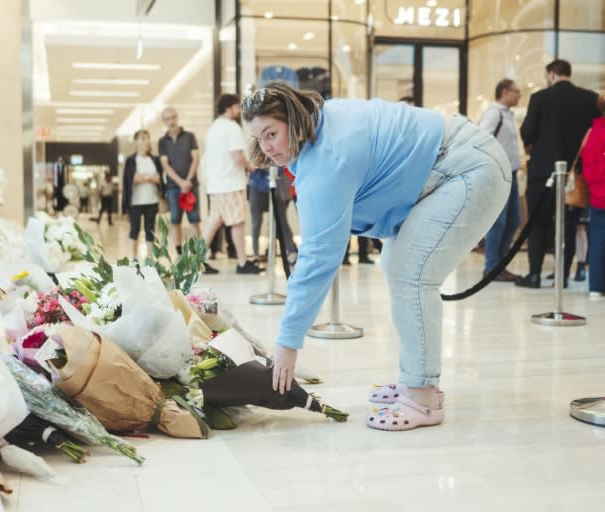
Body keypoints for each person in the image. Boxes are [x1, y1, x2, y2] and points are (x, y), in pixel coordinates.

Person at [243, 82, 510, 430]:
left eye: (272, 133)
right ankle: (416, 378)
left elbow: (318, 255)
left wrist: (287, 343)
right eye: (259, 138)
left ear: (293, 119)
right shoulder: (322, 128)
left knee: (410, 273)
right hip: (459, 160)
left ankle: (423, 396)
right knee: (398, 266)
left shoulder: (328, 156)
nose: (266, 147)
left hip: (470, 167)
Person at [517, 59, 600, 288]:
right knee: (569, 225)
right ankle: (562, 277)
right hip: (575, 174)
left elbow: (528, 132)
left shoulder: (540, 98)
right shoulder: (589, 98)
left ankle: (534, 274)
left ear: (552, 74)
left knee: (538, 223)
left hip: (543, 172)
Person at [202, 93, 262, 275]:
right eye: (237, 106)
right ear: (229, 107)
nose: (239, 110)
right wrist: (251, 167)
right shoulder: (231, 127)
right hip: (230, 184)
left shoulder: (213, 128)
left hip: (216, 184)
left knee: (214, 222)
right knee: (237, 222)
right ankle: (242, 263)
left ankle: (195, 261)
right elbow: (237, 155)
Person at [478, 78, 523, 282]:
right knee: (498, 221)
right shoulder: (494, 114)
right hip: (498, 175)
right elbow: (481, 140)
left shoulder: (508, 115)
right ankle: (491, 267)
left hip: (511, 174)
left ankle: (499, 263)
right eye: (516, 91)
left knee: (514, 220)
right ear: (505, 92)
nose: (519, 95)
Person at [158, 107, 202, 255]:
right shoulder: (162, 142)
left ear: (177, 117)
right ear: (164, 121)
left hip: (191, 186)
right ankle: (179, 253)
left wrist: (188, 181)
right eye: (167, 119)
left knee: (194, 219)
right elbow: (165, 165)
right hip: (173, 187)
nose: (171, 121)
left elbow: (195, 158)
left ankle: (198, 254)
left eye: (173, 117)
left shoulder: (190, 136)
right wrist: (180, 183)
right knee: (175, 220)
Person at [122, 130, 163, 259]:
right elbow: (132, 179)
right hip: (135, 201)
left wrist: (143, 178)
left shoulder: (155, 160)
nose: (146, 141)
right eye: (143, 138)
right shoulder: (131, 160)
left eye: (147, 138)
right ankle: (134, 258)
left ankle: (150, 258)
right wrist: (150, 178)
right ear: (136, 142)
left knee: (150, 230)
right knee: (134, 229)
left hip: (152, 200)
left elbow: (159, 178)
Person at [581, 95, 605, 298]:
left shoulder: (592, 132)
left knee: (597, 240)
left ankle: (595, 287)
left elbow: (584, 159)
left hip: (596, 193)